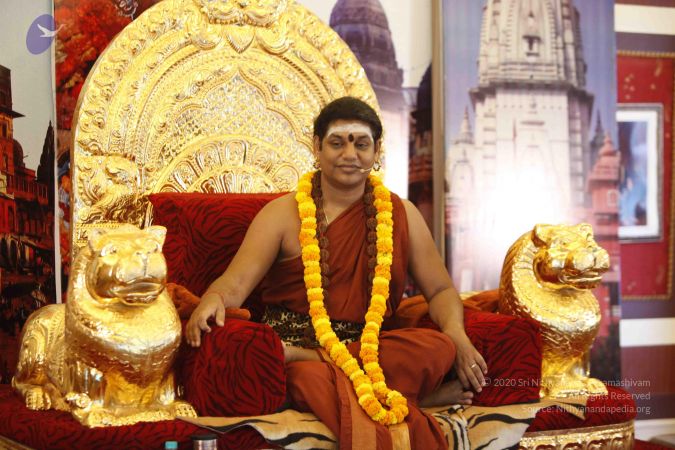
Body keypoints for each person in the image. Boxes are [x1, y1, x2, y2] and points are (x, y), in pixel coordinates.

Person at [186, 97, 487, 449]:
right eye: (337, 142)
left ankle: (384, 386)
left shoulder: (401, 214)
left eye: (361, 144)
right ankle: (409, 395)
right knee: (308, 378)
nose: (350, 154)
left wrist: (457, 335)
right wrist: (213, 298)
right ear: (317, 147)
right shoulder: (282, 213)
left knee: (438, 347)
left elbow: (440, 291)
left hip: (371, 350)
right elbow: (236, 282)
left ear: (376, 152)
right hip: (295, 343)